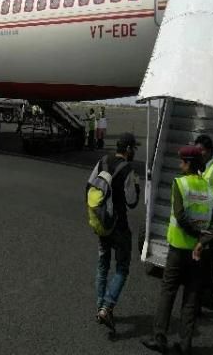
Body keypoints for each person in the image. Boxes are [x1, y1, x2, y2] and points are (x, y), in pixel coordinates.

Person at [142, 146, 213, 355]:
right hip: (198, 252)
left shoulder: (180, 184)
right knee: (191, 297)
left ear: (189, 163)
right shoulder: (208, 188)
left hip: (178, 249)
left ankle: (159, 337)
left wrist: (194, 233)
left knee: (168, 291)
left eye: (182, 161)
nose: (180, 164)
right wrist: (203, 240)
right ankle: (185, 344)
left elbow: (180, 216)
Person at [87, 132, 140, 331]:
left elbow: (90, 185)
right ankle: (107, 308)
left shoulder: (102, 161)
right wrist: (136, 185)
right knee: (122, 267)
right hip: (119, 226)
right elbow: (132, 201)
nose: (135, 152)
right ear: (128, 149)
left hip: (103, 223)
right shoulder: (128, 169)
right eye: (134, 148)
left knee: (103, 265)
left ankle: (100, 307)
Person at [194, 134, 213, 309]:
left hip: (211, 221)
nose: (198, 153)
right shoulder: (199, 168)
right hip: (200, 220)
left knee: (206, 259)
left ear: (209, 151)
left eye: (201, 150)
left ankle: (206, 295)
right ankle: (205, 295)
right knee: (203, 259)